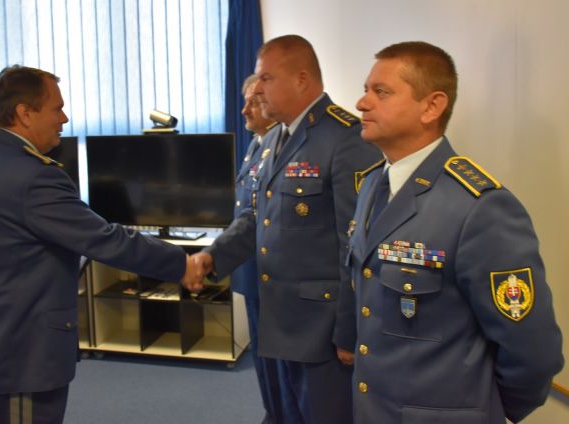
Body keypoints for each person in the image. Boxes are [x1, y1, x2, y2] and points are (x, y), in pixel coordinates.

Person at [0, 65, 202, 424]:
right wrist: (183, 264)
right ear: (25, 113)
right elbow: (105, 239)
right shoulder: (33, 176)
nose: (64, 118)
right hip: (21, 353)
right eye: (57, 108)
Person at [337, 41, 564, 423]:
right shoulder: (372, 185)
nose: (362, 103)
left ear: (432, 106)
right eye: (365, 90)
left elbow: (533, 349)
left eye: (381, 92)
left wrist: (489, 409)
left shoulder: (479, 208)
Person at [191, 35, 382, 424]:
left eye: (266, 78)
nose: (258, 89)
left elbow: (356, 247)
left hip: (321, 329)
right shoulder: (274, 138)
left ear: (301, 79)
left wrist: (349, 329)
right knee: (284, 414)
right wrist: (213, 256)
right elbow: (255, 217)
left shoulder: (345, 138)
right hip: (279, 316)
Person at [233, 74, 280, 422]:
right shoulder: (256, 144)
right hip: (252, 270)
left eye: (254, 101)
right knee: (262, 357)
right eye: (245, 101)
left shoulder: (279, 147)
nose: (245, 109)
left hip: (273, 275)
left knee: (276, 360)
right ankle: (272, 411)